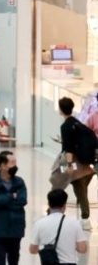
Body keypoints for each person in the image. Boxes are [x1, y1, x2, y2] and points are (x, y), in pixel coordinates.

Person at [58, 96, 95, 228]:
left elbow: (69, 149)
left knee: (76, 187)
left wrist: (69, 166)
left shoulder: (65, 126)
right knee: (78, 187)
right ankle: (81, 216)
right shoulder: (78, 123)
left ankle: (85, 219)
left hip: (73, 162)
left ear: (61, 110)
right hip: (85, 164)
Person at [0, 151, 27, 265]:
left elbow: (22, 201)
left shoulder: (19, 182)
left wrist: (1, 199)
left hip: (15, 229)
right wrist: (12, 196)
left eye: (15, 162)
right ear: (3, 165)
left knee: (14, 260)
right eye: (12, 163)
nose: (15, 166)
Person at [28, 189, 88, 264]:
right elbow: (82, 249)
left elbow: (32, 250)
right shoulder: (74, 223)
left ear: (49, 204)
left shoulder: (39, 223)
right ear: (64, 205)